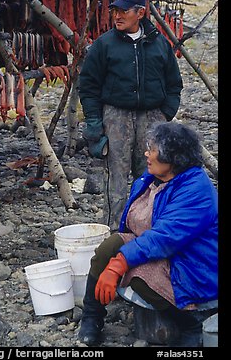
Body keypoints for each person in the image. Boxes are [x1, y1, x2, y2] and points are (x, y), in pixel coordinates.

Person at [78, 122, 218, 347]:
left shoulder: (196, 191)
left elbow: (164, 237)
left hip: (195, 265)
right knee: (109, 246)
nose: (146, 154)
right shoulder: (153, 178)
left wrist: (120, 264)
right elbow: (134, 227)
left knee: (137, 275)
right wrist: (116, 256)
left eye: (151, 149)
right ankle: (92, 317)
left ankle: (189, 323)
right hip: (167, 252)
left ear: (171, 157)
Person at [78, 0, 183, 232]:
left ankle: (147, 231)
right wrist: (94, 123)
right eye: (115, 11)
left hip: (152, 116)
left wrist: (165, 113)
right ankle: (113, 233)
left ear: (141, 13)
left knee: (150, 176)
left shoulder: (159, 44)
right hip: (116, 116)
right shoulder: (104, 45)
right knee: (115, 178)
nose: (117, 16)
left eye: (124, 11)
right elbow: (89, 86)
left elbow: (174, 83)